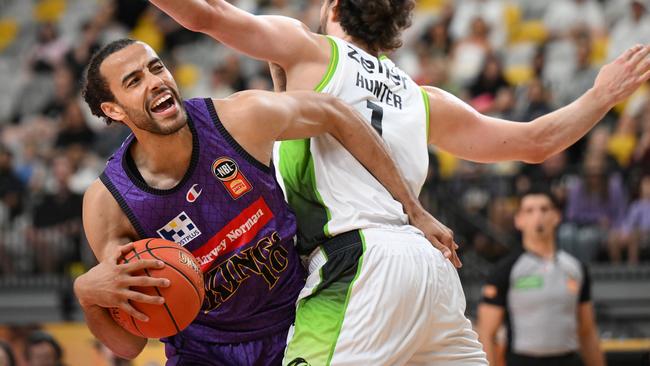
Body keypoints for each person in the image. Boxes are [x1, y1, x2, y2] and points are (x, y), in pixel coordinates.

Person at [148, 0, 650, 364]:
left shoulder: (311, 48)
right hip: (430, 270)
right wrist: (601, 96)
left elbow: (204, 13)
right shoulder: (420, 96)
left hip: (359, 263)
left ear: (334, 8)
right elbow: (535, 142)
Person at [73, 39, 443, 365]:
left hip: (296, 319)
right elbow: (131, 343)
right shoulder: (111, 203)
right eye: (134, 81)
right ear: (114, 110)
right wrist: (87, 297)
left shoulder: (236, 120)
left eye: (156, 67)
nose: (155, 81)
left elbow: (336, 113)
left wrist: (414, 208)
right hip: (203, 352)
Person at [477, 190, 605, 366]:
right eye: (529, 211)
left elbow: (588, 331)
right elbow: (486, 333)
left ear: (557, 216)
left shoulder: (576, 268)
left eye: (544, 209)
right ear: (518, 220)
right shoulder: (505, 270)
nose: (538, 216)